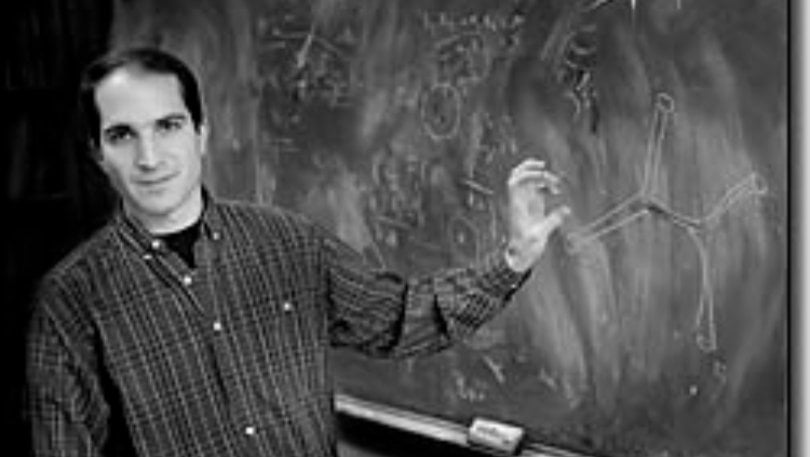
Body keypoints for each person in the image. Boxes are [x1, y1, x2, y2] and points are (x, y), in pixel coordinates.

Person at [24, 47, 569, 457]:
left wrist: (513, 257)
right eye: (123, 135)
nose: (150, 157)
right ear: (98, 155)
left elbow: (403, 318)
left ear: (201, 134)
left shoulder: (288, 243)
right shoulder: (71, 300)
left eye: (168, 126)